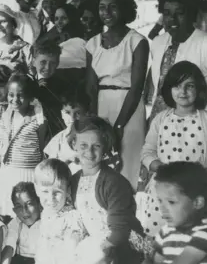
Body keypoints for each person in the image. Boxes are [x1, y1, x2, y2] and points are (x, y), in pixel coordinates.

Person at [140, 61, 207, 237]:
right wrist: (165, 170)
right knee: (163, 244)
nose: (183, 92)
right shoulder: (160, 120)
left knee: (195, 243)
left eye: (189, 86)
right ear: (169, 89)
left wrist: (199, 174)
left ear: (199, 90)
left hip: (196, 195)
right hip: (163, 195)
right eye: (177, 86)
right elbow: (147, 152)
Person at [86, 0, 149, 190]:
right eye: (102, 7)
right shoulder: (92, 44)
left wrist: (119, 126)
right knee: (101, 163)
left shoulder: (137, 41)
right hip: (102, 109)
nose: (107, 13)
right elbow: (91, 88)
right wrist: (95, 123)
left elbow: (137, 87)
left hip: (129, 110)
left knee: (127, 164)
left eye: (113, 7)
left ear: (124, 9)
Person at [148, 0, 207, 128]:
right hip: (165, 126)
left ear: (192, 14)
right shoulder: (158, 44)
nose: (172, 19)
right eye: (167, 14)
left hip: (205, 127)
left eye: (179, 13)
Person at [69, 116, 148, 263]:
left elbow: (120, 230)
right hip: (95, 242)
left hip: (121, 244)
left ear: (105, 146)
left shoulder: (114, 182)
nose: (90, 152)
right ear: (74, 144)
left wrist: (100, 254)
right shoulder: (74, 180)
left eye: (96, 146)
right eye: (83, 145)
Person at [0, 73, 49, 217]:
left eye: (21, 95)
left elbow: (44, 151)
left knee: (28, 215)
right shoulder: (5, 117)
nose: (15, 99)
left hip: (28, 175)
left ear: (30, 97)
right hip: (7, 174)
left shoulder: (38, 121)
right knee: (8, 215)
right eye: (11, 95)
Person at [152, 162, 207, 263]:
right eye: (160, 201)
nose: (162, 208)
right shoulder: (165, 232)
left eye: (171, 202)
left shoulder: (206, 235)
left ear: (197, 202)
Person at [33, 159, 85, 264]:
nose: (51, 198)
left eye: (57, 192)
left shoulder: (71, 220)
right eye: (45, 191)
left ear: (68, 190)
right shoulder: (47, 213)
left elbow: (71, 256)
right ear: (37, 190)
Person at [44, 87, 90, 174]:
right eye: (67, 113)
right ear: (62, 113)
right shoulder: (58, 139)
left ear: (87, 114)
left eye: (78, 113)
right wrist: (67, 161)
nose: (72, 118)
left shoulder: (95, 137)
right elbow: (50, 169)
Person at [30, 42, 67, 137]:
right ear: (33, 61)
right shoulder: (27, 82)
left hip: (55, 133)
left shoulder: (64, 86)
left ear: (58, 63)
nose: (47, 67)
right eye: (43, 62)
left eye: (53, 63)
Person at [2, 182, 42, 264]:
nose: (24, 211)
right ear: (14, 210)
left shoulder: (47, 222)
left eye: (29, 204)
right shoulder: (16, 222)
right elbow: (9, 246)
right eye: (19, 206)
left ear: (39, 204)